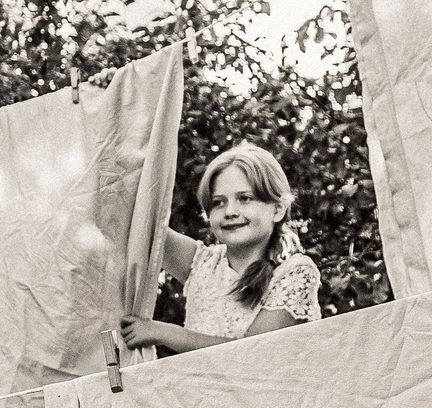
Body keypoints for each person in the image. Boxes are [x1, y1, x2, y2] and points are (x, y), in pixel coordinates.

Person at [118, 141, 323, 354]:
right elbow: (138, 221)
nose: (230, 211)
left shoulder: (296, 272)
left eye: (245, 199)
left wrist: (167, 333)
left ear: (278, 209)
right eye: (218, 202)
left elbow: (253, 353)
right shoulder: (201, 263)